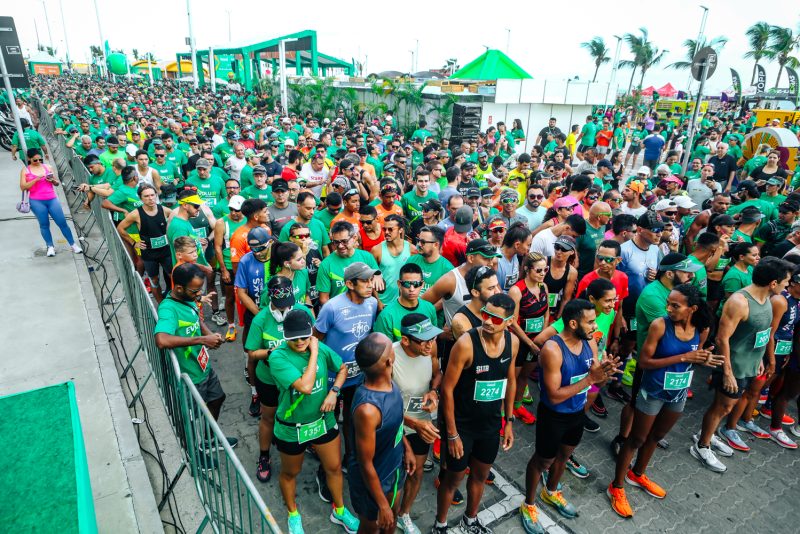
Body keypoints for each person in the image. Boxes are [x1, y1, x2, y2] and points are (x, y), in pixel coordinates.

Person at [608, 284, 720, 518]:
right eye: (668, 303)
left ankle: (637, 474)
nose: (668, 309)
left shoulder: (701, 328)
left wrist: (703, 359)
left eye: (675, 306)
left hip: (678, 393)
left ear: (692, 309)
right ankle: (616, 487)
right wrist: (684, 357)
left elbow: (695, 356)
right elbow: (644, 362)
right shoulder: (660, 325)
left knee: (657, 436)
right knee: (636, 439)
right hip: (653, 390)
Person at [520, 299, 620, 534]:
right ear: (573, 323)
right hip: (553, 416)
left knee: (564, 456)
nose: (595, 326)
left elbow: (596, 380)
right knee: (542, 461)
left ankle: (551, 492)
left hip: (577, 413)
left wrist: (605, 374)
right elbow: (554, 396)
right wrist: (591, 379)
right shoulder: (552, 350)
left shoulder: (590, 343)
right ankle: (529, 503)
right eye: (590, 322)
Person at [692, 258, 793, 472]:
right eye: (786, 282)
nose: (788, 286)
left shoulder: (768, 298)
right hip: (734, 366)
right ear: (773, 283)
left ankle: (707, 435)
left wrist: (760, 359)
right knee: (723, 406)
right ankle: (702, 446)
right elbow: (722, 339)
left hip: (750, 364)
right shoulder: (740, 302)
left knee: (726, 407)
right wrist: (727, 372)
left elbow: (762, 333)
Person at [433, 293, 518, 534]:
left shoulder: (513, 342)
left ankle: (470, 520)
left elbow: (511, 380)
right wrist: (452, 434)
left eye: (496, 319)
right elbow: (447, 389)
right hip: (462, 426)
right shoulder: (466, 344)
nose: (488, 321)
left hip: (490, 425)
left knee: (480, 476)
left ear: (510, 322)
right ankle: (440, 524)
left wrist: (508, 421)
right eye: (485, 314)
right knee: (452, 479)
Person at [269, 310, 359, 534]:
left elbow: (342, 368)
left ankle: (339, 511)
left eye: (305, 337)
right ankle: (293, 514)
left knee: (334, 467)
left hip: (323, 421)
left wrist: (334, 392)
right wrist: (315, 351)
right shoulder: (278, 357)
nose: (301, 342)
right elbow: (306, 387)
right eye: (294, 338)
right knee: (291, 473)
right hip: (292, 427)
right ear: (286, 337)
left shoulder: (317, 346)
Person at [154, 263, 236, 463]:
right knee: (189, 419)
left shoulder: (189, 299)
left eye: (200, 289)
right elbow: (161, 340)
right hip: (188, 377)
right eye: (195, 290)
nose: (199, 294)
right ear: (178, 288)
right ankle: (194, 455)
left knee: (217, 398)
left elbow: (196, 320)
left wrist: (210, 334)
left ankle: (208, 439)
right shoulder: (168, 309)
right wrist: (202, 340)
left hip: (204, 368)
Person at [314, 262, 380, 491]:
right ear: (350, 284)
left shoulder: (372, 303)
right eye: (365, 281)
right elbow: (316, 340)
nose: (370, 285)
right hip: (331, 378)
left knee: (354, 424)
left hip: (357, 378)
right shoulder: (331, 308)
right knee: (328, 427)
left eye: (371, 280)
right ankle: (324, 473)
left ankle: (350, 463)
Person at [245, 276, 314, 483]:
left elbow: (314, 338)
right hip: (269, 378)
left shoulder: (303, 311)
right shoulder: (261, 320)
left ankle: (306, 441)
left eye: (288, 303)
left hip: (297, 377)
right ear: (270, 298)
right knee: (268, 417)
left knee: (300, 411)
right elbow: (251, 353)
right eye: (280, 305)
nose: (285, 308)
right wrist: (271, 352)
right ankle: (264, 456)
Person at [347, 333, 416, 534]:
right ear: (388, 361)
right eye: (390, 348)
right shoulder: (368, 409)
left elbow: (395, 423)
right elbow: (365, 463)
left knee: (391, 523)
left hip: (394, 468)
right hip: (372, 482)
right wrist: (382, 506)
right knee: (372, 528)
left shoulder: (389, 382)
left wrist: (406, 448)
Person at [392, 314, 443, 534]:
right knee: (394, 476)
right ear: (405, 340)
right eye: (424, 341)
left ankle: (404, 514)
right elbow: (381, 405)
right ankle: (389, 514)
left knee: (416, 471)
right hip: (395, 425)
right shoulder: (389, 356)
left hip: (422, 423)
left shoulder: (430, 349)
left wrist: (434, 391)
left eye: (432, 338)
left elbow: (437, 373)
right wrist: (412, 423)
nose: (430, 345)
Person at [508, 252, 550, 425]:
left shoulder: (543, 286)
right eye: (539, 270)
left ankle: (517, 405)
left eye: (545, 269)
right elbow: (512, 322)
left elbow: (546, 312)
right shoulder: (516, 290)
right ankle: (505, 412)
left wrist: (543, 335)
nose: (543, 273)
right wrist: (530, 343)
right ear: (527, 269)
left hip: (537, 342)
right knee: (512, 378)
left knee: (524, 376)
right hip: (520, 342)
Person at [19, 148, 81, 257]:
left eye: (40, 159)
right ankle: (50, 246)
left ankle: (73, 244)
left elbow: (56, 183)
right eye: (35, 160)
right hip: (36, 200)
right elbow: (23, 187)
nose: (38, 162)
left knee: (62, 222)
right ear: (29, 159)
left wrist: (52, 180)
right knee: (44, 224)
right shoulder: (25, 170)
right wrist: (35, 179)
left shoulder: (47, 167)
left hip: (51, 199)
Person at [117, 184, 173, 302]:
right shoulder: (136, 214)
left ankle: (175, 304)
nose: (150, 198)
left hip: (166, 251)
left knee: (173, 277)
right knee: (154, 280)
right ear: (140, 198)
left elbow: (178, 219)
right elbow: (120, 228)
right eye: (146, 196)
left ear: (156, 195)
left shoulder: (164, 210)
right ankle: (160, 306)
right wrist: (134, 243)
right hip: (149, 254)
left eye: (152, 195)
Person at [318, 221, 383, 305]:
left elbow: (376, 283)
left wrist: (378, 276)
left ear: (354, 238)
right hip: (340, 310)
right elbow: (324, 299)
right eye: (336, 242)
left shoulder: (366, 257)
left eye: (344, 241)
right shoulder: (326, 265)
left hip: (365, 307)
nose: (340, 246)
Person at [373, 263, 437, 342]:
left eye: (416, 284)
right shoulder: (386, 316)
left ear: (422, 284)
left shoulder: (430, 308)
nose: (412, 289)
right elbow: (384, 348)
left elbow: (433, 341)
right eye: (407, 284)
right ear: (399, 284)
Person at [213, 194, 247, 340]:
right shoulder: (222, 222)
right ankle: (231, 326)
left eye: (237, 210)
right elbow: (217, 247)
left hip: (246, 266)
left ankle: (249, 325)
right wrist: (223, 270)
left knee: (249, 296)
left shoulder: (248, 220)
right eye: (231, 209)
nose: (233, 213)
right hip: (229, 265)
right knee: (230, 297)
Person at [371, 214, 415, 305]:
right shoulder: (376, 250)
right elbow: (371, 278)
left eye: (390, 229)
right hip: (383, 302)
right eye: (384, 229)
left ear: (400, 230)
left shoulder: (412, 249)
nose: (387, 232)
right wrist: (378, 302)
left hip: (405, 302)